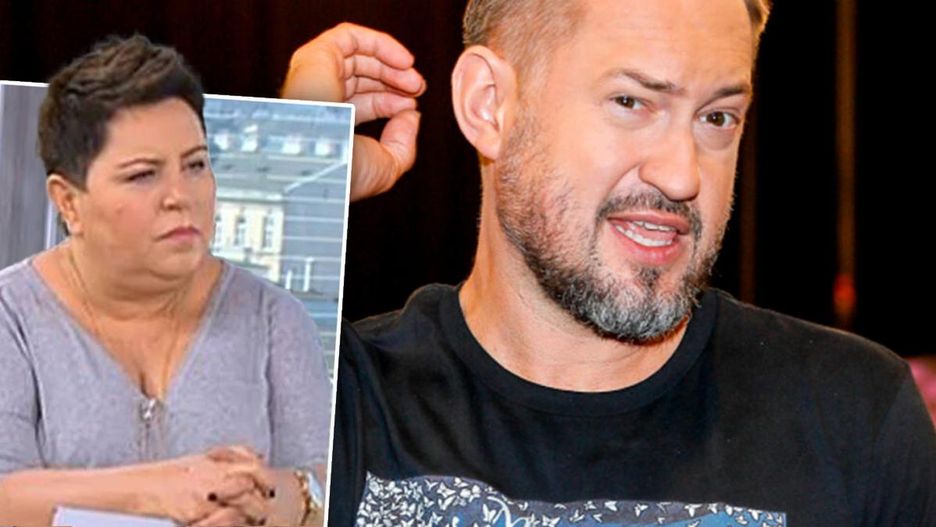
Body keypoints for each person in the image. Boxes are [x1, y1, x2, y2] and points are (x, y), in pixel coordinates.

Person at [282, 0, 936, 525]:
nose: (682, 175)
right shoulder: (335, 404)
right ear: (489, 105)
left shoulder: (852, 415)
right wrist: (289, 169)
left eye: (717, 117)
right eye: (631, 102)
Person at [0, 36, 330, 527]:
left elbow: (324, 482)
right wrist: (160, 489)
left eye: (195, 165)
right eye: (143, 175)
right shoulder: (11, 315)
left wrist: (269, 503)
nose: (181, 196)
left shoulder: (275, 317)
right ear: (68, 202)